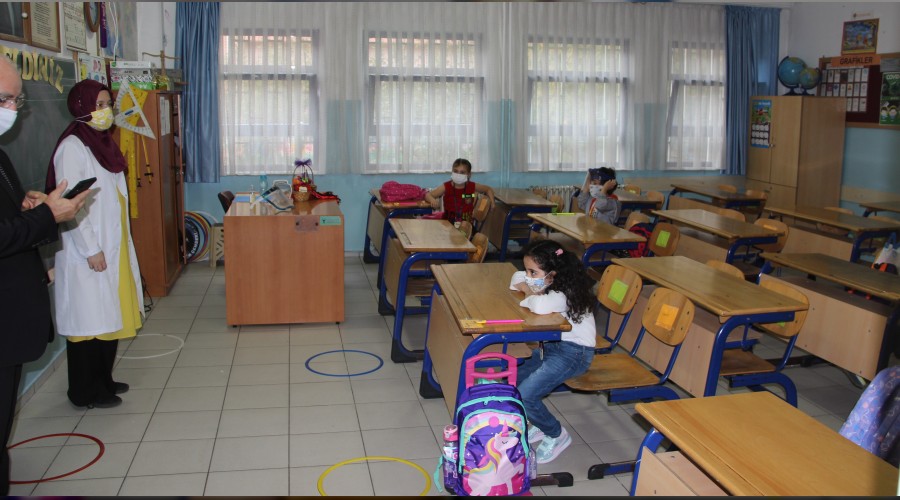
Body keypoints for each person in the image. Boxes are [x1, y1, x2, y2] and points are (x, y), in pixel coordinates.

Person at [0, 55, 90, 496]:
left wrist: (31, 208)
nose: (12, 111)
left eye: (17, 101)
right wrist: (48, 217)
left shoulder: (1, 155)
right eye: (5, 99)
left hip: (12, 318)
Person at [45, 79, 144, 410]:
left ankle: (104, 380)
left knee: (109, 317)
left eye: (107, 104)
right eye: (99, 105)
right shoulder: (72, 148)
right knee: (87, 325)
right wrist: (91, 249)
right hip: (88, 250)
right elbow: (70, 206)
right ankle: (84, 391)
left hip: (112, 244)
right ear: (81, 107)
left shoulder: (103, 143)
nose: (105, 111)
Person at [509, 239, 595, 464]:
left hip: (574, 353)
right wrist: (530, 285)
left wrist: (530, 292)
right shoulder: (548, 282)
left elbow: (539, 306)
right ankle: (538, 422)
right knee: (514, 379)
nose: (527, 275)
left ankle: (556, 434)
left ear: (552, 275)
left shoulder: (564, 293)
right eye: (527, 270)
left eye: (533, 272)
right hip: (550, 348)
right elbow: (515, 279)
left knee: (526, 394)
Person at [424, 158, 495, 226]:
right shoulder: (446, 186)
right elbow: (427, 195)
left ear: (469, 174)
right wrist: (432, 200)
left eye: (462, 172)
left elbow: (488, 189)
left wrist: (492, 203)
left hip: (465, 226)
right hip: (448, 223)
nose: (458, 174)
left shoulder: (472, 186)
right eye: (455, 171)